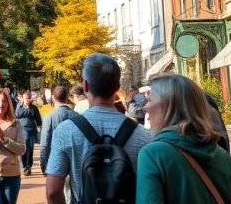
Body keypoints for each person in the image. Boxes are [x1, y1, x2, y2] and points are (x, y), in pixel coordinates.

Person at [46, 54, 152, 204]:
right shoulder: (143, 135)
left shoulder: (66, 131)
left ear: (85, 86)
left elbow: (53, 192)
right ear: (117, 88)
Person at [136, 74, 231, 204]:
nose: (144, 107)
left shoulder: (153, 155)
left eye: (150, 100)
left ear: (169, 106)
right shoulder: (224, 157)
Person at [39, 85, 79, 175]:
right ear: (67, 97)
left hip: (54, 164)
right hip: (74, 164)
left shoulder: (49, 118)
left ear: (53, 98)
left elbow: (44, 144)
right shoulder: (77, 116)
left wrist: (44, 165)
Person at [14, 90, 42, 176]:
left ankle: (29, 166)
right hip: (22, 130)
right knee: (24, 149)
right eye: (25, 98)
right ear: (22, 98)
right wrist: (26, 108)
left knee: (30, 149)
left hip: (31, 130)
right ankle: (25, 167)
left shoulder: (34, 108)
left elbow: (38, 120)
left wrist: (39, 127)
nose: (27, 100)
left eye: (29, 98)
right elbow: (18, 115)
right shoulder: (19, 107)